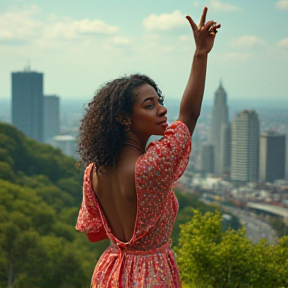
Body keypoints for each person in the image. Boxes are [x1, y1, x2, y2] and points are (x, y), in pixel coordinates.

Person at [76, 6, 220, 288]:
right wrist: (200, 54)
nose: (162, 110)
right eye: (149, 105)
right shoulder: (150, 167)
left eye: (160, 101)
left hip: (109, 271)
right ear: (124, 118)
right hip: (150, 275)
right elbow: (188, 115)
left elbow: (94, 233)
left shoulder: (93, 173)